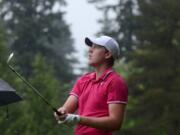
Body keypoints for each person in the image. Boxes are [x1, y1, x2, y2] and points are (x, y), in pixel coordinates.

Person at [54, 35, 128, 135]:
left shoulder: (115, 82)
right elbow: (66, 109)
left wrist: (78, 119)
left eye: (96, 47)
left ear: (107, 54)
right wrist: (61, 113)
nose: (90, 50)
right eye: (91, 46)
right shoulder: (83, 80)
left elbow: (115, 123)